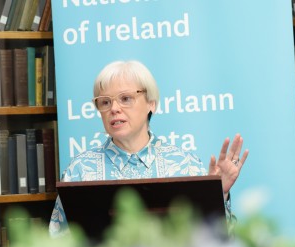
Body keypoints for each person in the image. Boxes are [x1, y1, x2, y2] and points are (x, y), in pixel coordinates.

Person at [49, 60, 249, 237]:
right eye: (105, 102)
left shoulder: (185, 166)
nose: (114, 109)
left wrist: (218, 194)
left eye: (125, 98)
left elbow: (221, 243)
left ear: (151, 104)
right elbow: (57, 244)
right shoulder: (80, 171)